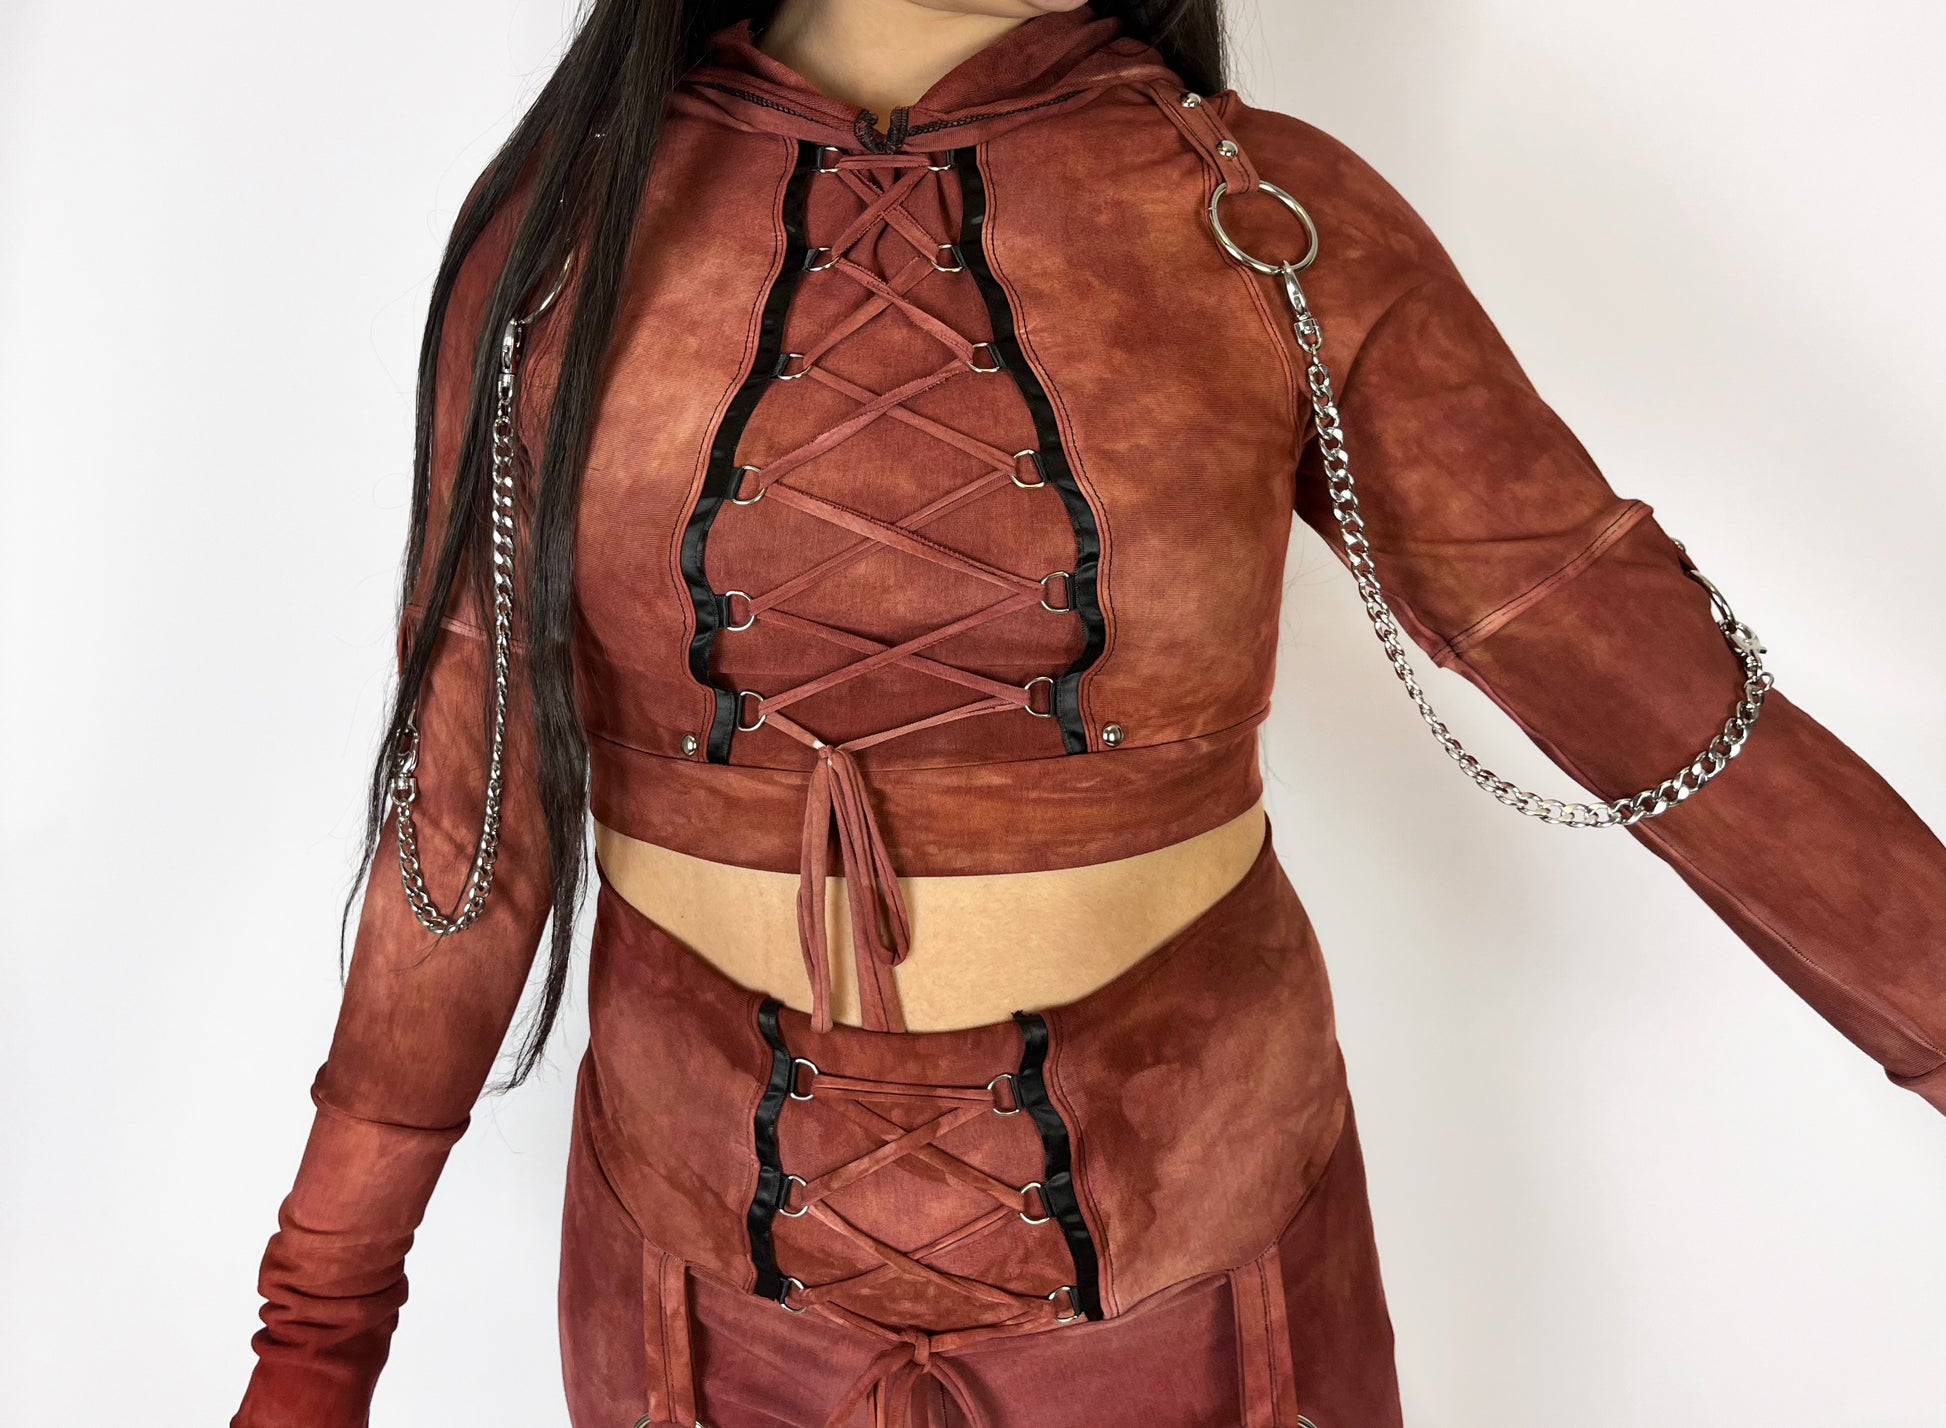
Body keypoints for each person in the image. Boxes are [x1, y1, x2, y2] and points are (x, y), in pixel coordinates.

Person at [231, 2, 1946, 1425]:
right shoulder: (562, 244)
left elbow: (1657, 698)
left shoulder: (1268, 222)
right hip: (690, 1292)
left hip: (1204, 1268)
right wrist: (318, 1331)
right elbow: (466, 818)